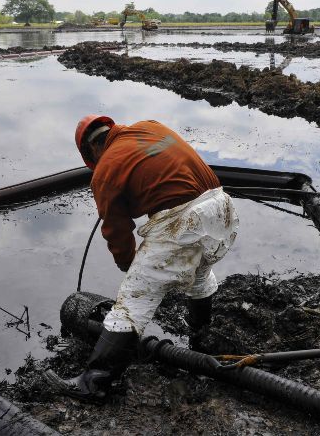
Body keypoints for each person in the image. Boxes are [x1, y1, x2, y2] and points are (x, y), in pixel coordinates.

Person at [45, 115, 239, 403]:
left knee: (133, 301)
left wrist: (130, 267)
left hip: (184, 221)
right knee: (199, 273)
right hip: (223, 210)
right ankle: (201, 340)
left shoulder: (106, 170)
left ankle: (93, 384)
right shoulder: (151, 127)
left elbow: (117, 232)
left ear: (91, 151)